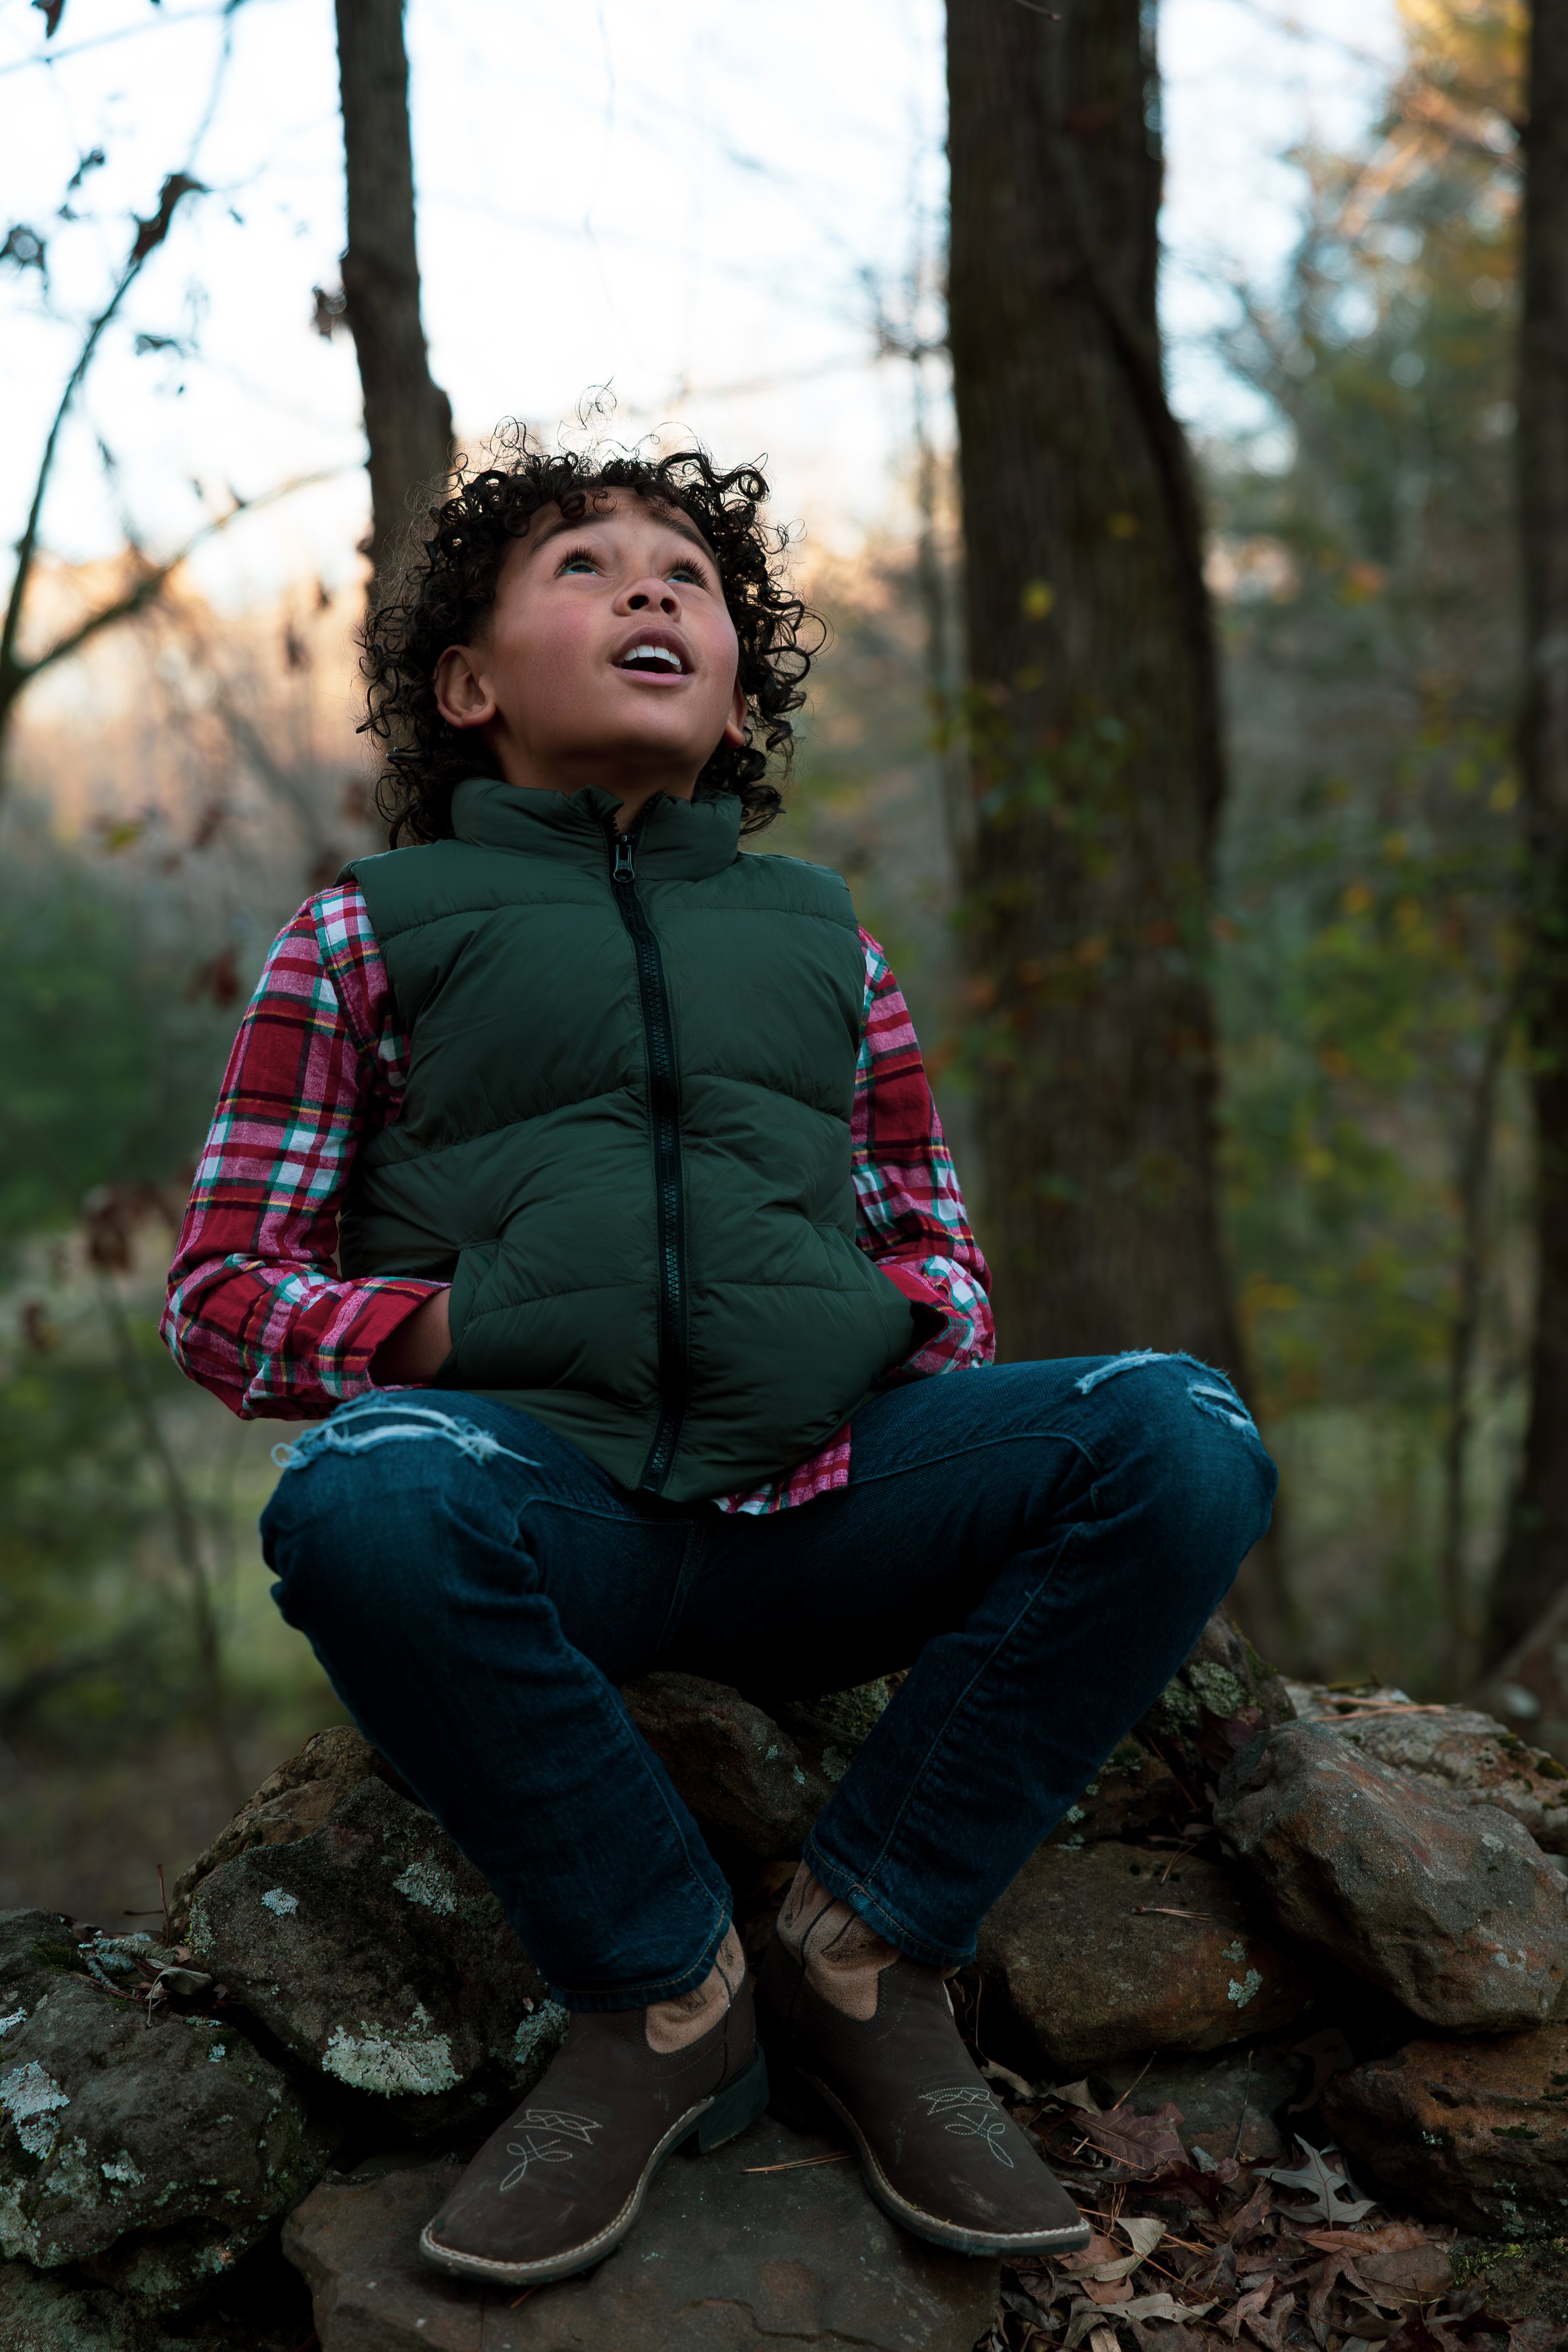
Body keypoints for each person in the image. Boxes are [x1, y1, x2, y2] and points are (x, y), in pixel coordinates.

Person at [162, 435, 1276, 2290]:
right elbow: (224, 1292)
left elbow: (937, 1245)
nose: (653, 591)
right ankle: (666, 1994)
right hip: (548, 1508)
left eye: (687, 575)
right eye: (585, 568)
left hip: (837, 1501)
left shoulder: (822, 939)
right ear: (465, 685)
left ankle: (859, 1949)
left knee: (1179, 1430)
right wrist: (452, 1333)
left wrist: (894, 1324)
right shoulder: (368, 929)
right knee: (362, 1499)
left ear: (739, 683)